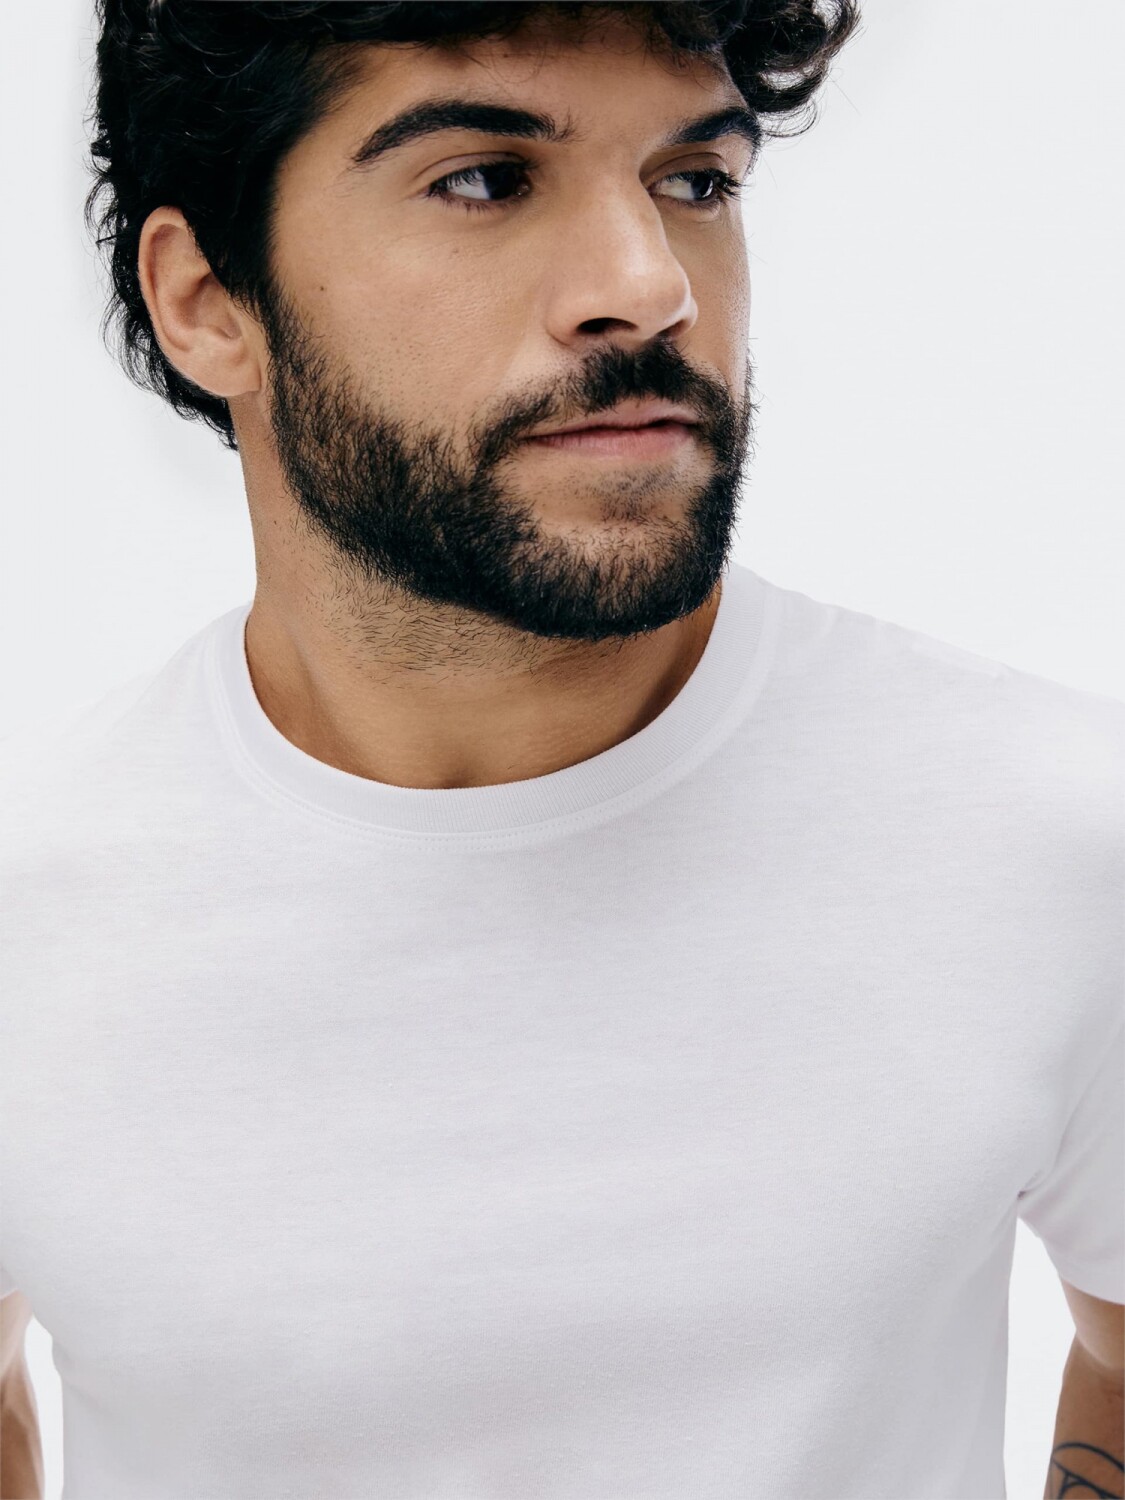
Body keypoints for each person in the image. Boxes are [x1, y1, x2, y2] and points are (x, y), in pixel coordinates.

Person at [1, 3, 1121, 1498]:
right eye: (482, 178)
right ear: (208, 300)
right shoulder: (33, 912)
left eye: (695, 180)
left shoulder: (1054, 838)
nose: (648, 288)